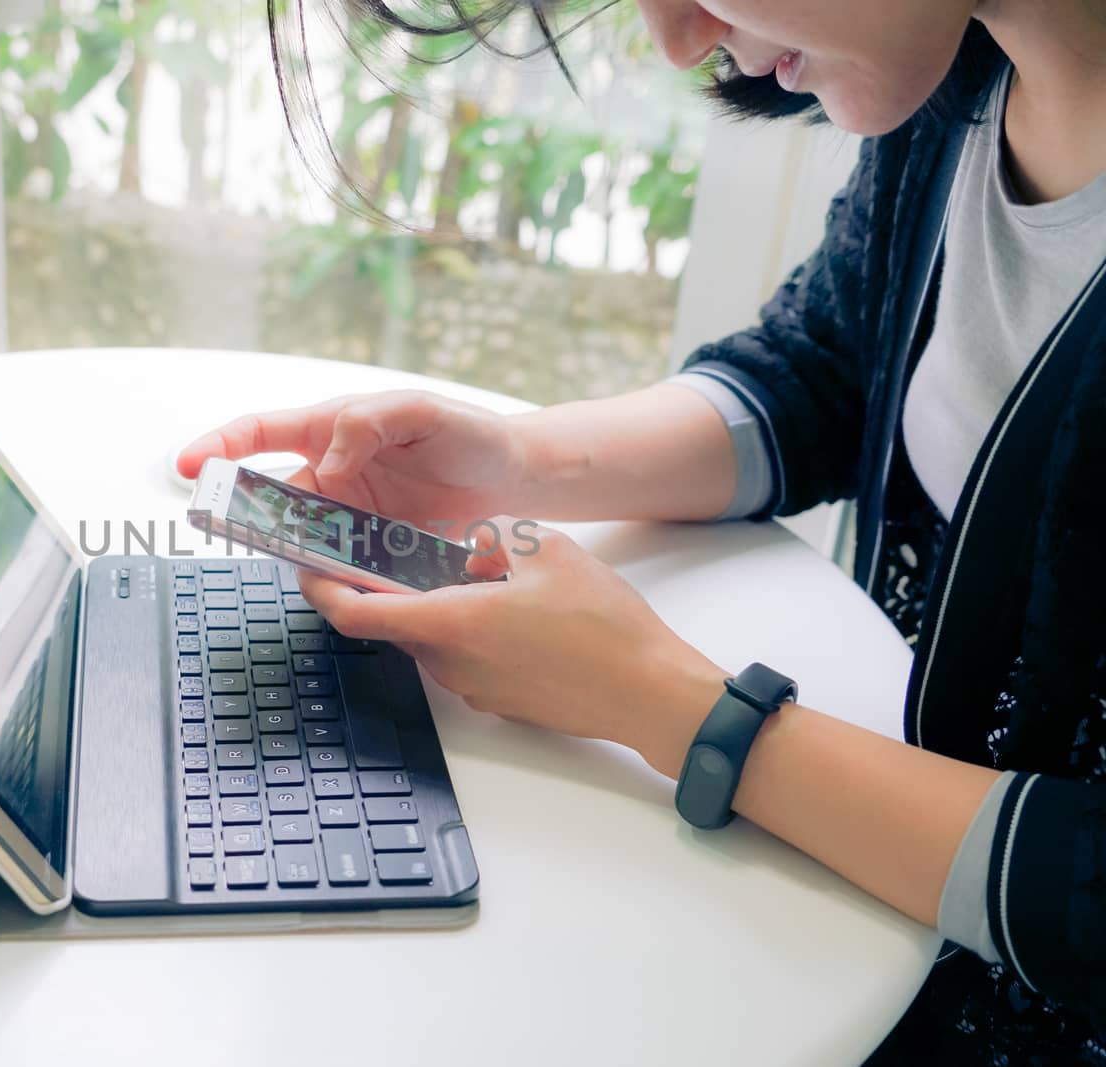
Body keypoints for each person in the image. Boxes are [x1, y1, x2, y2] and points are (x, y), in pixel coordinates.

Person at [177, 1, 1106, 1061]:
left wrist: (665, 702)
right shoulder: (964, 79)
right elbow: (822, 370)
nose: (675, 41)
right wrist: (516, 461)